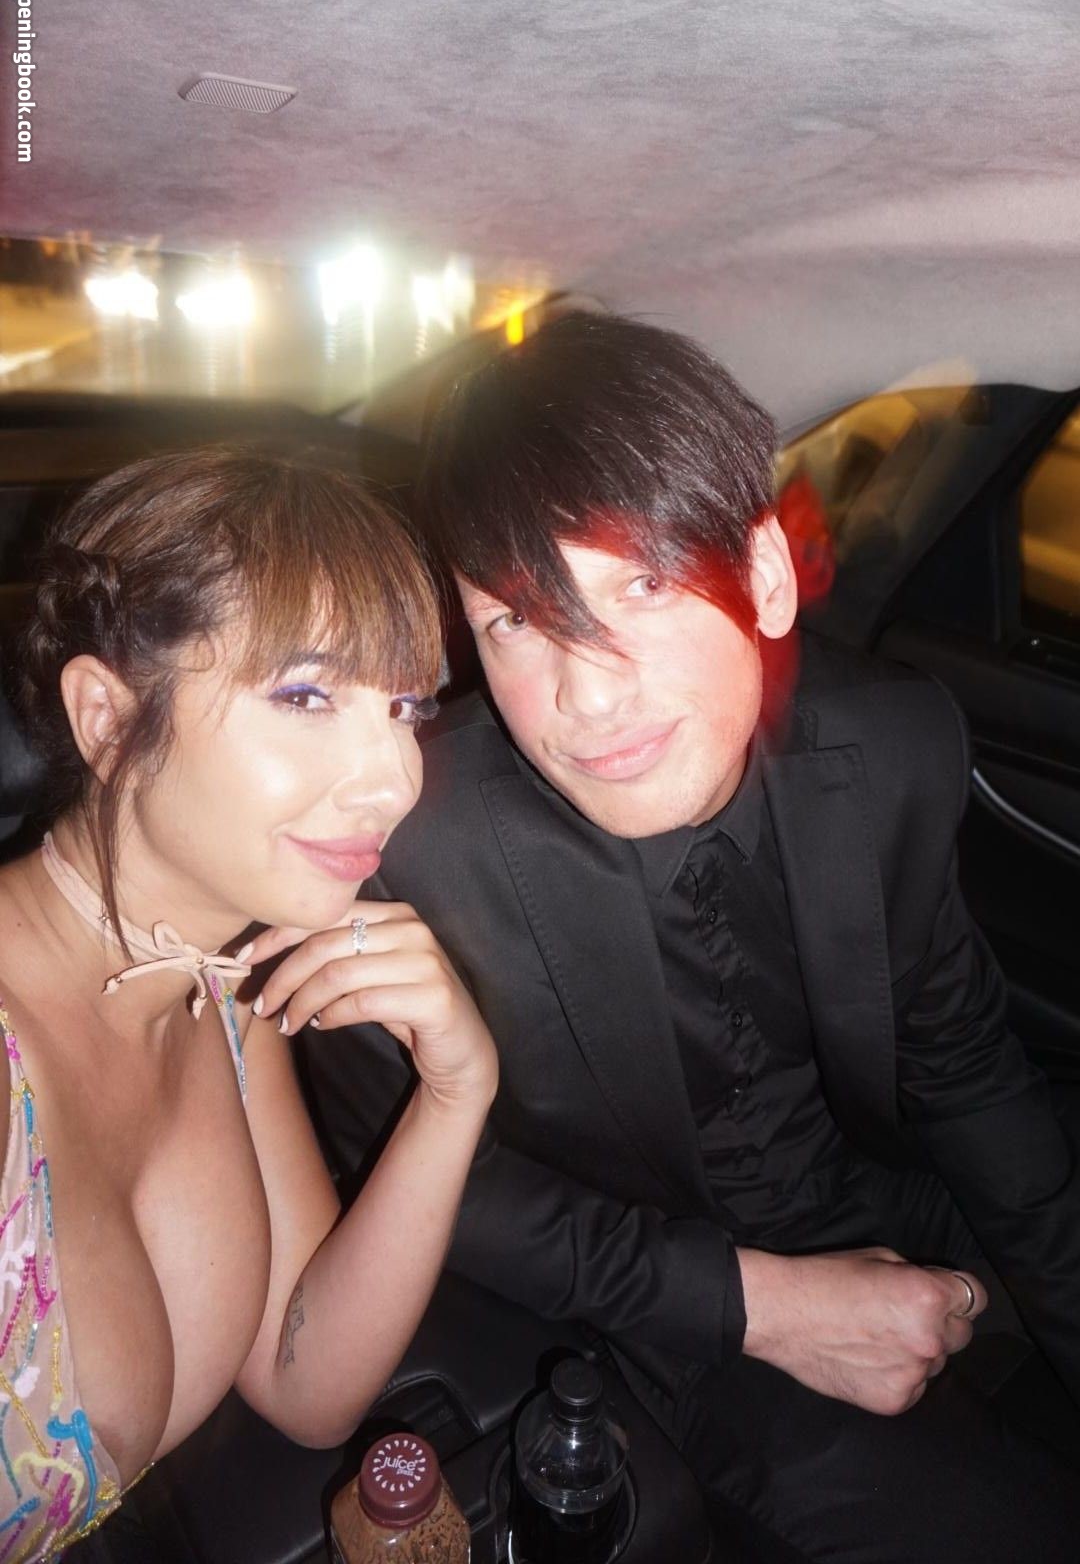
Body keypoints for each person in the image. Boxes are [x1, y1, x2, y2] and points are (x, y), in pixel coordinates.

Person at [295, 312, 1080, 1563]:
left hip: (887, 1192)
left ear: (764, 575)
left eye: (641, 586)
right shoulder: (401, 849)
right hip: (654, 1295)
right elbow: (426, 1187)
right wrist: (765, 1306)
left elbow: (962, 1059)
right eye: (514, 622)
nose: (587, 693)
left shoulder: (893, 741)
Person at [0, 449, 497, 1562]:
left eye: (403, 704)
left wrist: (456, 1091)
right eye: (307, 695)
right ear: (108, 718)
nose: (396, 776)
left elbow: (304, 1377)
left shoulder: (225, 996)